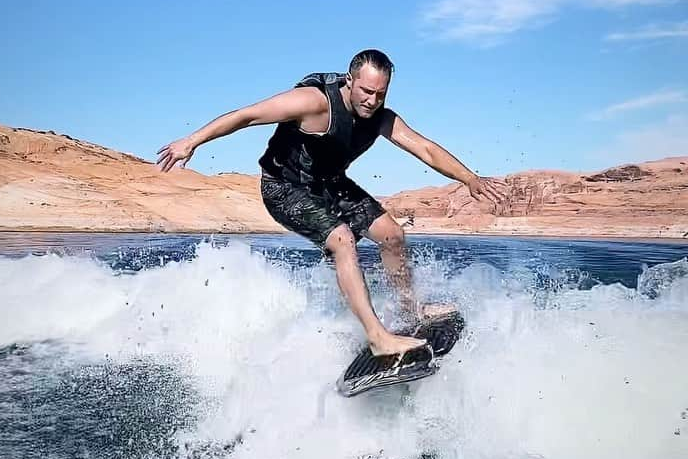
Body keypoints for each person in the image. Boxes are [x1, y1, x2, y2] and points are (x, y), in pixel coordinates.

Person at [157, 49, 504, 359]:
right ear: (350, 80)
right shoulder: (313, 102)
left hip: (329, 185)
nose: (371, 101)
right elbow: (247, 115)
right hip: (284, 187)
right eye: (366, 91)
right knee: (342, 240)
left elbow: (425, 148)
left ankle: (410, 310)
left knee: (392, 235)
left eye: (380, 94)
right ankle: (377, 336)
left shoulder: (381, 118)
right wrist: (192, 140)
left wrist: (469, 178)